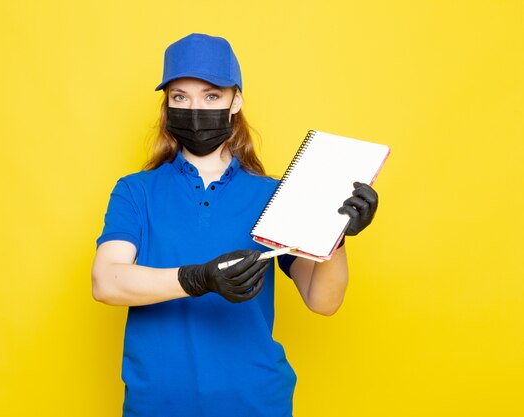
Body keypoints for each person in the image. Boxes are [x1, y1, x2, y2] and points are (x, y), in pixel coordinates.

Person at [92, 33, 379, 416]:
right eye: (180, 97)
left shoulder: (274, 195)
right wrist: (197, 278)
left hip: (256, 402)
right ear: (167, 104)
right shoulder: (135, 191)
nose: (194, 107)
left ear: (235, 100)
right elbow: (106, 282)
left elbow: (323, 301)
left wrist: (336, 236)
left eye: (211, 96)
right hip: (157, 404)